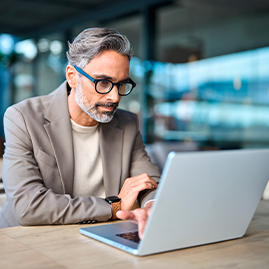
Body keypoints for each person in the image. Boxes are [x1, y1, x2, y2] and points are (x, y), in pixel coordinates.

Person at [0, 28, 160, 238]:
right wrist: (113, 206)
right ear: (72, 76)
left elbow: (149, 180)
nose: (114, 97)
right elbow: (29, 206)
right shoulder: (22, 117)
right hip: (26, 239)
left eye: (122, 84)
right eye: (103, 82)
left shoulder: (127, 122)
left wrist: (152, 206)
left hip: (100, 235)